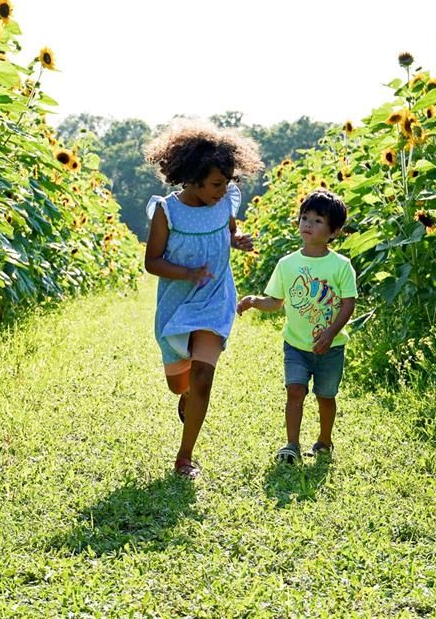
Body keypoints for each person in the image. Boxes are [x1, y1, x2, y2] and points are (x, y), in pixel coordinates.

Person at [144, 121, 262, 478]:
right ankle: (185, 398)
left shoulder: (224, 202)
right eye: (215, 183)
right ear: (191, 177)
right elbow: (152, 262)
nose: (222, 190)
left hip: (215, 298)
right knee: (179, 383)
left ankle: (184, 457)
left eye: (226, 182)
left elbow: (228, 232)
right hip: (177, 303)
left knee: (203, 378)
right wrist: (188, 273)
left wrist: (237, 240)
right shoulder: (167, 211)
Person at [236, 188, 357, 464]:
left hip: (331, 347)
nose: (308, 224)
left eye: (317, 220)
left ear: (334, 231)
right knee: (295, 391)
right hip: (296, 345)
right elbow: (276, 302)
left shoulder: (341, 266)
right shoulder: (287, 264)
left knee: (326, 396)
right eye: (305, 217)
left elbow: (349, 305)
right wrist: (255, 301)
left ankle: (324, 441)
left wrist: (330, 333)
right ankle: (291, 444)